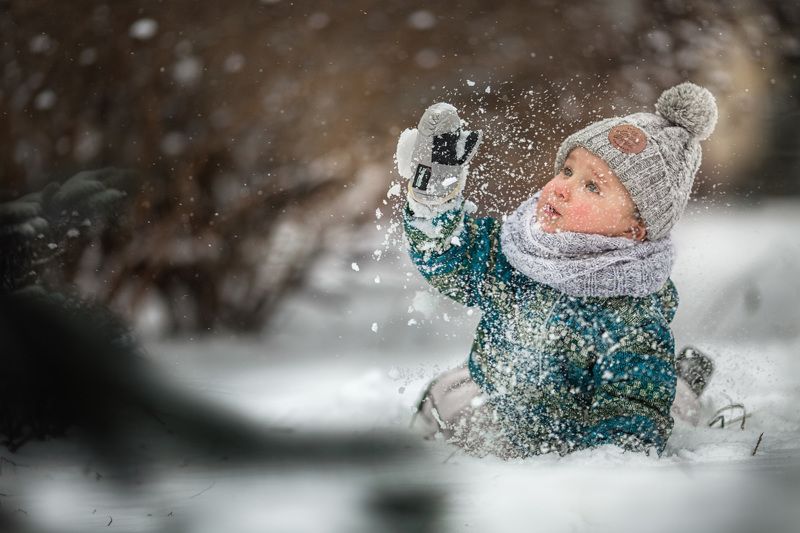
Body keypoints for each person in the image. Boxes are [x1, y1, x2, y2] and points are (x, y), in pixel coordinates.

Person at [400, 82, 718, 458]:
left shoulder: (631, 312)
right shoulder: (518, 252)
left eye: (591, 187)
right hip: (501, 397)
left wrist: (599, 462)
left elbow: (633, 413)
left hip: (583, 425)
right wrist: (433, 202)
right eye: (567, 170)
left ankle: (684, 376)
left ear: (634, 228)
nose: (562, 188)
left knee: (668, 402)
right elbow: (452, 256)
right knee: (449, 396)